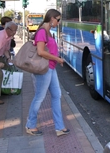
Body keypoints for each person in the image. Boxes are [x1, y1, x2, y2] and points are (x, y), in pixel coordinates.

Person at [25, 9, 69, 137]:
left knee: (57, 95)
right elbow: (41, 52)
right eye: (58, 19)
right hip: (44, 69)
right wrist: (57, 59)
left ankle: (59, 127)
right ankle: (30, 125)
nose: (58, 22)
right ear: (52, 18)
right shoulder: (42, 32)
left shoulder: (48, 32)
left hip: (51, 68)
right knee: (39, 97)